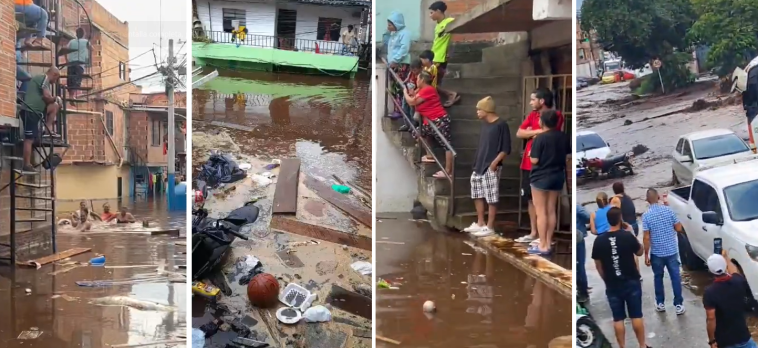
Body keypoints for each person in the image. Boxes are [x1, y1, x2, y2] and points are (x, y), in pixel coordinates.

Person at [592, 207, 650, 348]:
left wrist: (605, 278)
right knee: (636, 315)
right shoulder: (627, 236)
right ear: (620, 219)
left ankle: (622, 346)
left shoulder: (599, 240)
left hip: (612, 284)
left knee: (618, 318)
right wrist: (631, 233)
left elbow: (598, 264)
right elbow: (640, 252)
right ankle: (642, 345)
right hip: (631, 281)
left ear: (608, 220)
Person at [514, 89, 564, 246]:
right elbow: (519, 133)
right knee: (530, 200)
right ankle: (534, 232)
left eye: (533, 99)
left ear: (542, 101)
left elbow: (549, 134)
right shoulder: (532, 116)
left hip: (543, 166)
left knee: (546, 206)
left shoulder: (555, 116)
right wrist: (535, 132)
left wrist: (533, 133)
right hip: (529, 166)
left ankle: (545, 241)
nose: (530, 102)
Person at [461, 96, 511, 237]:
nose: (477, 112)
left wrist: (494, 164)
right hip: (479, 164)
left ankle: (490, 226)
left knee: (491, 195)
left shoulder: (501, 125)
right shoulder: (484, 124)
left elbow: (505, 148)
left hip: (491, 165)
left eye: (479, 109)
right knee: (477, 192)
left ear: (487, 110)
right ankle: (480, 222)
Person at [527, 109, 569, 255]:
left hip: (540, 177)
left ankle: (542, 245)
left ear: (542, 122)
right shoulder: (563, 137)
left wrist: (529, 154)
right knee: (551, 209)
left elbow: (534, 160)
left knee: (541, 212)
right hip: (557, 176)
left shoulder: (540, 138)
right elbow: (567, 155)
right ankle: (549, 242)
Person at [641, 188, 685, 315]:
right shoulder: (669, 210)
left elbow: (646, 237)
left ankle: (660, 303)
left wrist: (646, 255)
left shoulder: (646, 216)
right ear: (659, 197)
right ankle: (678, 305)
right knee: (675, 278)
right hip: (671, 250)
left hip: (657, 253)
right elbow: (678, 228)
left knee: (658, 278)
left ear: (647, 200)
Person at [704, 251, 757, 348]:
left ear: (710, 270)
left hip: (725, 342)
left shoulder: (710, 292)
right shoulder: (739, 281)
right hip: (744, 337)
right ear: (725, 267)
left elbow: (711, 318)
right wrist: (726, 257)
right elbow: (734, 271)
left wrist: (712, 341)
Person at [405, 71, 452, 179]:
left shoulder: (428, 89)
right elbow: (416, 99)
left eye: (417, 79)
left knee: (446, 145)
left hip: (439, 120)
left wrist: (405, 93)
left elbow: (412, 102)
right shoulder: (422, 90)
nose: (416, 80)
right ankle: (430, 155)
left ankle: (448, 171)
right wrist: (412, 93)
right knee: (417, 132)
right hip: (430, 122)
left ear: (422, 80)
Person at [21, 67, 61, 174]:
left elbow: (46, 99)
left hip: (36, 112)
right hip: (30, 111)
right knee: (29, 139)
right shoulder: (44, 78)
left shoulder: (42, 79)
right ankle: (26, 165)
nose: (55, 82)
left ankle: (46, 129)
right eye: (56, 79)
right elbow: (46, 96)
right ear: (54, 74)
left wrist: (54, 101)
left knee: (54, 106)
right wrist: (56, 98)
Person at [427, 1, 459, 107]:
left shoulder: (449, 21)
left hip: (440, 59)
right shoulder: (437, 26)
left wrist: (448, 52)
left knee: (429, 82)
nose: (430, 15)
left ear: (439, 11)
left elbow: (459, 21)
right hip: (433, 57)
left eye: (431, 13)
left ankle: (451, 94)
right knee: (429, 82)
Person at [387, 11, 411, 119]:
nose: (388, 27)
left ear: (397, 24)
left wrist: (395, 60)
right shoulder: (393, 34)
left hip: (401, 63)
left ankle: (400, 110)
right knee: (393, 87)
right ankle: (397, 109)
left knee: (399, 87)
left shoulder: (405, 33)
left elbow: (404, 48)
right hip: (392, 64)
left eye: (390, 24)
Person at [66, 28, 91, 99]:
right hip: (80, 64)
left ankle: (71, 96)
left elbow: (65, 49)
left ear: (76, 34)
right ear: (83, 34)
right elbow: (92, 48)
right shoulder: (86, 41)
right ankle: (72, 96)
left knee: (70, 80)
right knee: (77, 80)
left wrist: (66, 60)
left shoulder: (71, 41)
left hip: (71, 63)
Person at [398, 60, 423, 132]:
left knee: (412, 111)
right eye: (412, 70)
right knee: (404, 108)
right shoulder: (411, 73)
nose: (414, 72)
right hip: (407, 93)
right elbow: (408, 79)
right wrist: (403, 83)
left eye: (415, 70)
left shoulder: (421, 76)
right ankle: (407, 124)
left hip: (414, 95)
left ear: (420, 68)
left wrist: (414, 92)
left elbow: (420, 87)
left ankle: (413, 125)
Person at [576, 204, 591, 303]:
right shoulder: (577, 207)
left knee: (578, 266)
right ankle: (583, 292)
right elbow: (589, 217)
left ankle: (582, 290)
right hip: (578, 237)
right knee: (580, 266)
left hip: (577, 236)